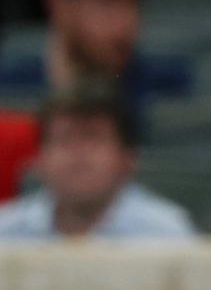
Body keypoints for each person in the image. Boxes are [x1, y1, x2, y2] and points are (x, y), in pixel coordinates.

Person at [0, 0, 191, 114]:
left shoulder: (169, 87)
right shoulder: (9, 89)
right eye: (108, 3)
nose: (125, 22)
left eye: (134, 4)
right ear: (58, 4)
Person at [0, 84, 195, 241]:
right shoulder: (5, 231)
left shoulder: (167, 234)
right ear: (39, 160)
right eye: (65, 138)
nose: (78, 152)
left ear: (128, 159)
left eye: (93, 138)